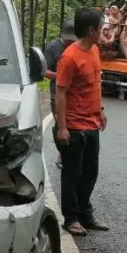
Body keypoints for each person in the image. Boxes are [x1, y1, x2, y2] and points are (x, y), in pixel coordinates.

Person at [54, 8, 109, 236]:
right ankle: (71, 217)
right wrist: (63, 127)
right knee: (72, 174)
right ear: (91, 30)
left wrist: (101, 110)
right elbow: (61, 93)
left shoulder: (94, 50)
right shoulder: (69, 57)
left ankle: (85, 214)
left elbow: (95, 84)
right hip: (75, 128)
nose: (104, 31)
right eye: (101, 27)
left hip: (93, 124)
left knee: (90, 173)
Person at [44, 20, 77, 168]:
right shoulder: (52, 48)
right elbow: (44, 71)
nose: (70, 42)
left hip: (74, 93)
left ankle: (70, 154)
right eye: (68, 39)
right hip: (56, 93)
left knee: (74, 125)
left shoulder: (78, 47)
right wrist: (61, 75)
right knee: (60, 124)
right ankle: (62, 152)